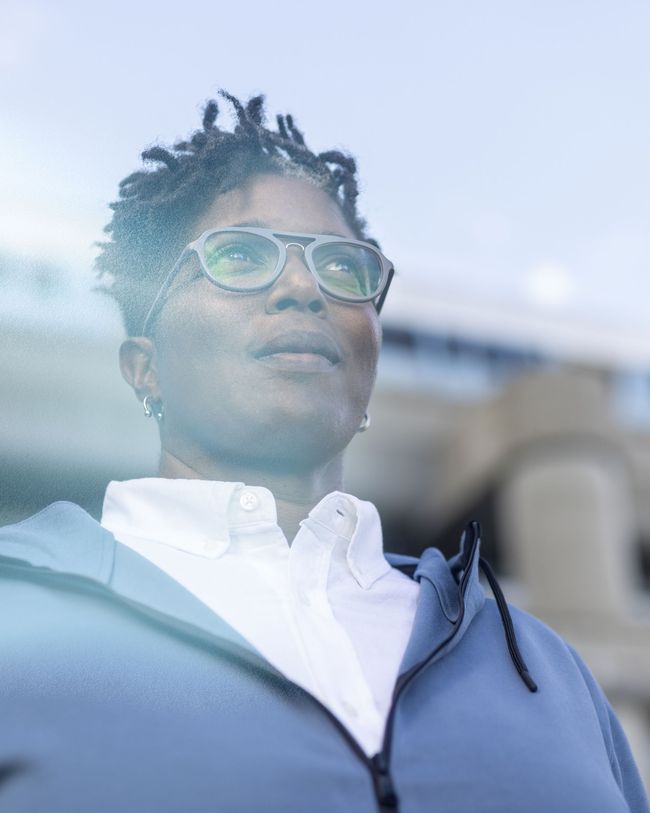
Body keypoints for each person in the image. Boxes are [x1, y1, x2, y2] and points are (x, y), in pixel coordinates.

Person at [0, 91, 647, 813]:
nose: (305, 287)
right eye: (239, 255)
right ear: (143, 365)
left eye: (342, 269)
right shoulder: (16, 606)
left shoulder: (543, 665)